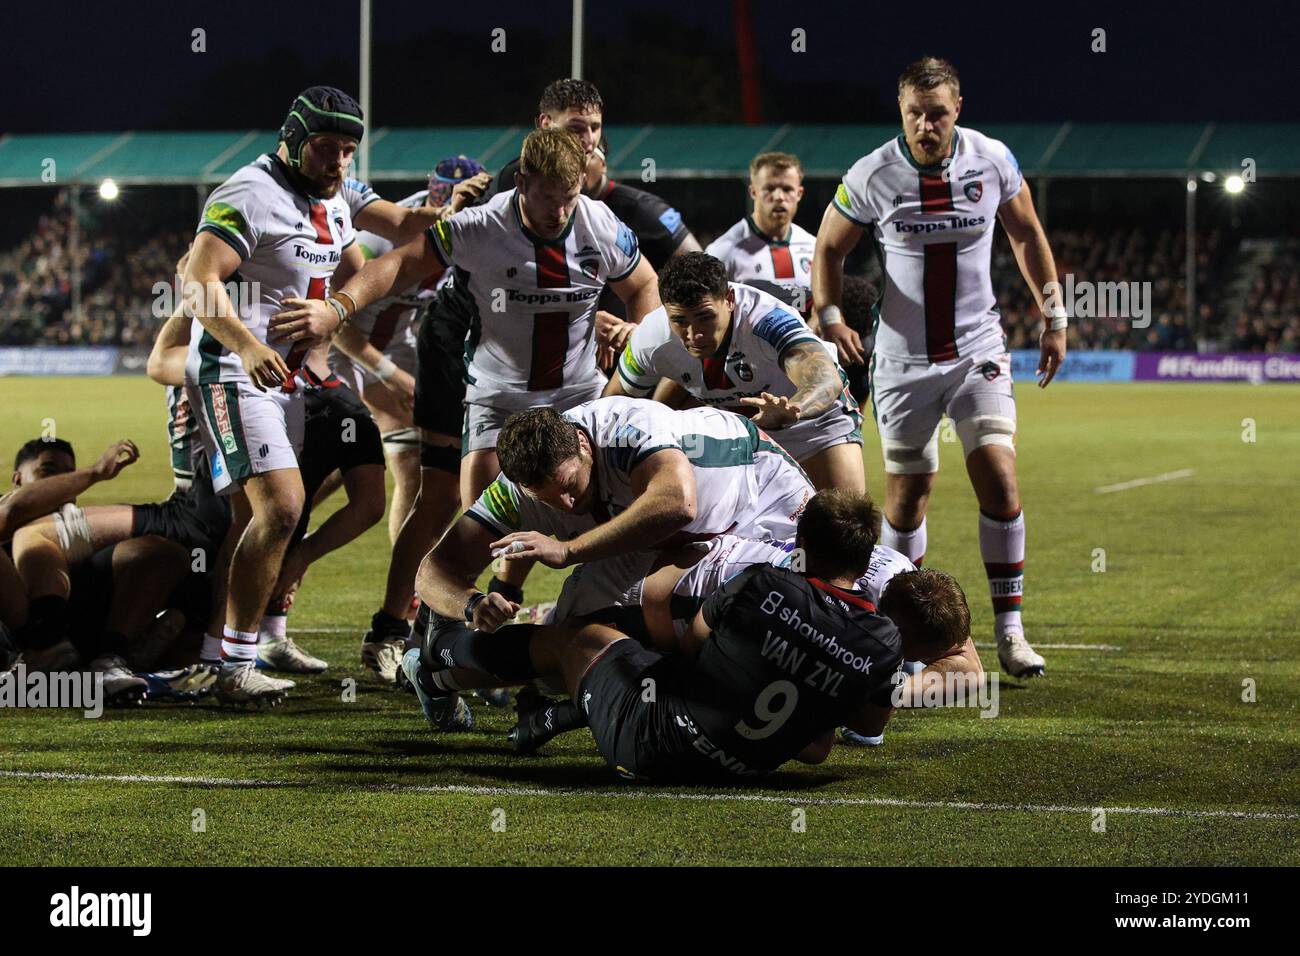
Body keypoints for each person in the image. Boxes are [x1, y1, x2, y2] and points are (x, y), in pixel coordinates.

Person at [312, 129, 661, 677]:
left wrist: (637, 330)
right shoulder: (480, 226)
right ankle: (442, 643)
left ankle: (601, 634)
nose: (559, 210)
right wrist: (339, 308)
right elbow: (400, 264)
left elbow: (644, 284)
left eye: (568, 197)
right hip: (496, 397)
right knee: (479, 521)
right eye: (548, 196)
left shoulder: (599, 224)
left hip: (580, 395)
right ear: (521, 183)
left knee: (613, 509)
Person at [811, 56, 1067, 677]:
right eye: (915, 114)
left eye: (938, 114)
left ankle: (1010, 632)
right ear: (901, 112)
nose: (926, 125)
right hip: (902, 361)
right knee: (906, 502)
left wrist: (1053, 314)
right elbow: (828, 247)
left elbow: (1027, 234)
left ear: (958, 110)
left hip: (977, 349)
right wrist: (830, 315)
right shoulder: (873, 173)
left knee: (1000, 478)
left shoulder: (992, 160)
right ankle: (899, 635)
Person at [405, 490, 919, 782]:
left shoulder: (763, 584)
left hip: (652, 745)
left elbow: (690, 647)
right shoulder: (882, 642)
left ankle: (442, 649)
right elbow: (847, 736)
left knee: (578, 637)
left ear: (801, 543)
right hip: (744, 771)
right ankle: (559, 712)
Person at [401, 395, 816, 728]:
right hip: (656, 536)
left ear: (584, 445)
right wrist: (472, 603)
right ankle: (437, 674)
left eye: (568, 486)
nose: (564, 505)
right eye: (544, 498)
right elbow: (434, 571)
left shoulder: (626, 432)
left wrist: (568, 550)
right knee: (571, 651)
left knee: (810, 598)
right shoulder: (516, 489)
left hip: (761, 500)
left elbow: (677, 503)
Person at [180, 85, 368, 702]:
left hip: (286, 383)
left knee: (253, 519)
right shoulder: (250, 192)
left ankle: (214, 654)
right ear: (292, 138)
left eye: (347, 151)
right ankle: (236, 664)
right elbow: (197, 279)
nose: (337, 162)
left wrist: (332, 314)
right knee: (282, 507)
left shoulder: (335, 203)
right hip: (235, 375)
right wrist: (246, 345)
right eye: (325, 148)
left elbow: (351, 272)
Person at [604, 252, 865, 492]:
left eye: (705, 317)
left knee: (843, 525)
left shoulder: (765, 319)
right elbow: (612, 406)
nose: (694, 334)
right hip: (738, 433)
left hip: (811, 422)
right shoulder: (652, 337)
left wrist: (794, 409)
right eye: (680, 321)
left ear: (728, 300)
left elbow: (825, 379)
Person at [706, 151, 817, 295]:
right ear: (753, 192)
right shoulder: (723, 252)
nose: (779, 196)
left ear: (799, 194)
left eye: (787, 189)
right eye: (770, 189)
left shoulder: (814, 247)